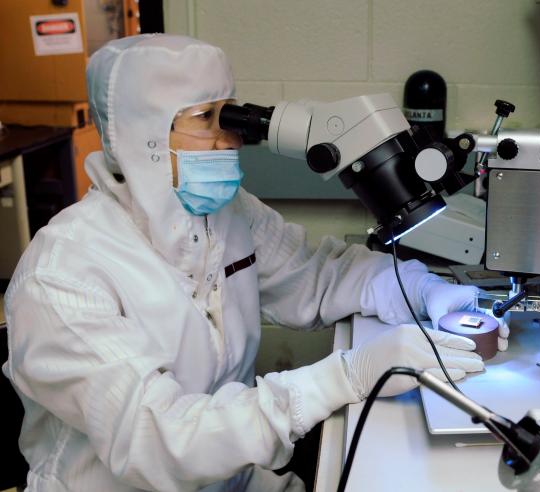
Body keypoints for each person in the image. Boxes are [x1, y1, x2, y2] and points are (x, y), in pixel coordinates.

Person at [1, 34, 483, 492]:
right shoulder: (62, 276)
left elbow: (317, 276)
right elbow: (157, 439)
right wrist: (346, 376)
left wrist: (423, 290)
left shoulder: (226, 214)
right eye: (206, 118)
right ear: (145, 135)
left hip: (235, 479)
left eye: (228, 114)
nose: (231, 137)